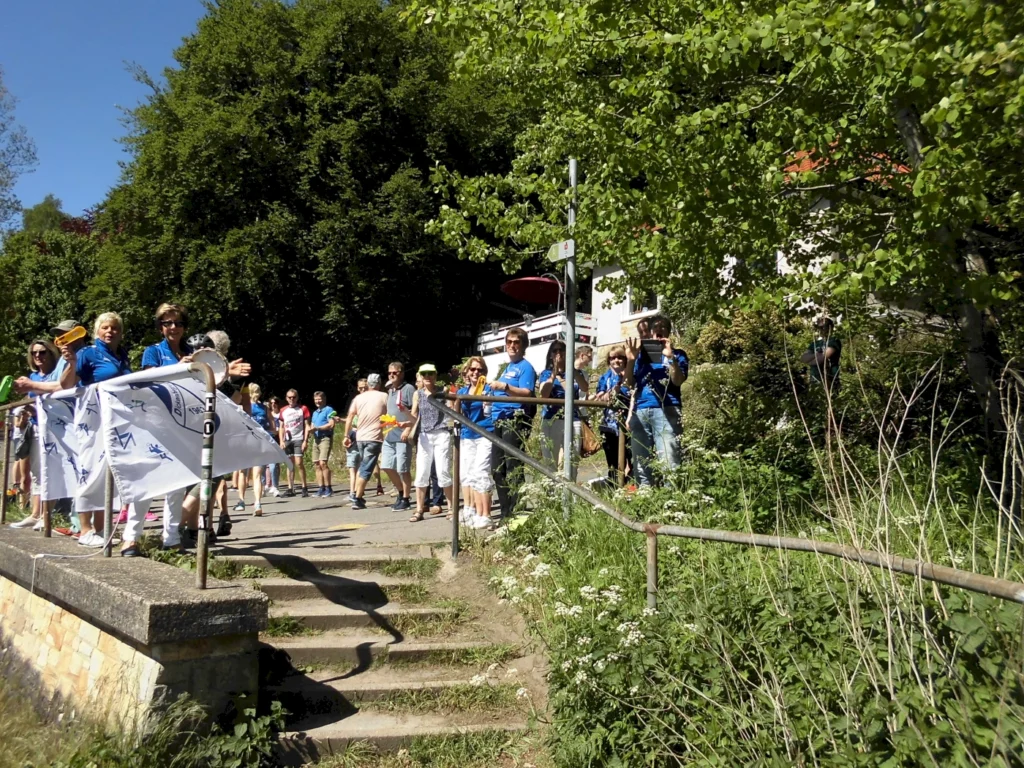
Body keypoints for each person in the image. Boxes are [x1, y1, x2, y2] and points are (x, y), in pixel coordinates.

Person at [139, 302, 193, 550]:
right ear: (160, 327)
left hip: (183, 423)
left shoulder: (192, 351)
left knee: (177, 483)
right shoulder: (153, 351)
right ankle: (134, 535)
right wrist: (179, 367)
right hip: (155, 422)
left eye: (178, 323)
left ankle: (171, 538)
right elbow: (148, 379)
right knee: (148, 480)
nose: (173, 327)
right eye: (167, 323)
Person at [624, 313, 689, 487]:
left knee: (670, 462)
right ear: (650, 332)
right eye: (656, 328)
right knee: (640, 464)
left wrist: (670, 357)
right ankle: (645, 502)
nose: (659, 331)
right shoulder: (640, 357)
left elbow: (677, 381)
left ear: (668, 332)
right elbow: (629, 384)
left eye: (663, 328)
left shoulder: (678, 354)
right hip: (641, 411)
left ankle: (672, 506)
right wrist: (630, 361)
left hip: (667, 410)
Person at [8, 339, 61, 531]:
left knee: (51, 473)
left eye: (42, 352)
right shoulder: (32, 376)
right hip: (35, 428)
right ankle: (35, 514)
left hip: (55, 428)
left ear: (51, 353)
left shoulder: (56, 375)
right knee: (37, 473)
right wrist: (25, 408)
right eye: (34, 353)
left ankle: (46, 516)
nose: (38, 356)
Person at [488, 327, 537, 518]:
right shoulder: (506, 368)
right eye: (509, 342)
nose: (512, 346)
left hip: (514, 419)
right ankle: (505, 511)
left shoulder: (526, 367)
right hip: (498, 420)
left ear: (523, 345)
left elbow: (527, 393)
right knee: (497, 468)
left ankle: (517, 513)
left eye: (516, 342)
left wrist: (505, 387)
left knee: (513, 467)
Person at [407, 364, 453, 522]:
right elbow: (414, 417)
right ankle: (419, 509)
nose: (427, 376)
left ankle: (451, 508)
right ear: (420, 375)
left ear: (435, 375)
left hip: (441, 433)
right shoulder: (417, 394)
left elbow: (451, 411)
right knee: (421, 473)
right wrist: (404, 414)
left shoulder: (443, 391)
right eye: (424, 374)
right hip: (425, 436)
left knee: (443, 471)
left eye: (431, 373)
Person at [455, 356, 496, 529]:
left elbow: (490, 413)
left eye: (479, 370)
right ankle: (469, 509)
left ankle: (485, 514)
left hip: (484, 433)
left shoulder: (488, 390)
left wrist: (488, 403)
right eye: (472, 369)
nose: (475, 372)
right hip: (467, 435)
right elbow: (457, 413)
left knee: (481, 472)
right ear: (466, 372)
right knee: (467, 473)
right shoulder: (462, 392)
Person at [537, 340, 589, 474]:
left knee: (572, 463)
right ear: (551, 355)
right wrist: (554, 374)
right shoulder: (546, 373)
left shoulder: (577, 373)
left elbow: (584, 387)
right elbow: (544, 394)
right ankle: (551, 493)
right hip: (552, 419)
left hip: (573, 419)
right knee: (550, 463)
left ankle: (569, 493)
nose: (559, 353)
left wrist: (572, 370)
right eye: (555, 350)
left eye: (562, 350)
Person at [343, 373, 388, 510]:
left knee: (363, 465)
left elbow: (350, 417)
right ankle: (356, 498)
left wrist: (346, 435)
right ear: (379, 384)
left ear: (368, 384)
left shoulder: (358, 398)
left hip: (360, 436)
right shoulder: (384, 396)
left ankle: (357, 495)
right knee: (366, 468)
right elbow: (390, 414)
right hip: (374, 437)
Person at [382, 362, 416, 512]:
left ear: (402, 373)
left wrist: (408, 428)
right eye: (390, 373)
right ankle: (401, 492)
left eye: (395, 373)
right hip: (389, 434)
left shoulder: (408, 389)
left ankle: (406, 498)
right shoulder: (391, 390)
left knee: (403, 468)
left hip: (402, 435)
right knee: (387, 466)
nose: (392, 375)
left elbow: (414, 411)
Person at [596, 345, 632, 484]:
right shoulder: (604, 378)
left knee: (632, 458)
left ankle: (630, 489)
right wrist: (610, 393)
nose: (616, 360)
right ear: (608, 360)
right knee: (613, 463)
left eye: (620, 357)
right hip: (609, 425)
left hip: (629, 423)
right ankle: (614, 490)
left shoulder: (630, 375)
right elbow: (600, 397)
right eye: (613, 357)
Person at [245, 382, 273, 515]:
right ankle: (257, 502)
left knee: (245, 474)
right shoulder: (264, 408)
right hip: (258, 442)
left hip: (248, 442)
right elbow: (273, 426)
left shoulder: (246, 407)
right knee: (256, 475)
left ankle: (244, 500)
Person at [278, 389, 311, 497]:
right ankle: (290, 488)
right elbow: (281, 427)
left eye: (294, 397)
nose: (292, 399)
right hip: (288, 440)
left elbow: (307, 426)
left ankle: (304, 487)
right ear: (286, 398)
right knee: (289, 464)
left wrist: (305, 440)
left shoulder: (303, 409)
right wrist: (281, 441)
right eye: (289, 397)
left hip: (298, 438)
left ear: (297, 398)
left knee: (299, 463)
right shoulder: (283, 410)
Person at [800, 317, 841, 392]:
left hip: (830, 379)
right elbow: (803, 358)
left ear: (830, 328)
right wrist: (815, 356)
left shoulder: (834, 341)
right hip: (815, 379)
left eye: (823, 327)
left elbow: (822, 358)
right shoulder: (814, 344)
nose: (821, 330)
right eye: (819, 327)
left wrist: (811, 359)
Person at [311, 391, 338, 497]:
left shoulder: (328, 410)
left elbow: (331, 424)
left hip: (325, 438)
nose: (318, 401)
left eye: (319, 399)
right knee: (317, 464)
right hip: (316, 439)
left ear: (324, 399)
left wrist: (318, 428)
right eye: (316, 399)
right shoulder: (315, 413)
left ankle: (328, 488)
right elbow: (312, 425)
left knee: (323, 463)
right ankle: (321, 488)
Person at [345, 379, 368, 502]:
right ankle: (353, 492)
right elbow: (350, 418)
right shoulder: (356, 400)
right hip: (354, 434)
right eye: (360, 388)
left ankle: (357, 492)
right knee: (353, 466)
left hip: (365, 434)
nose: (362, 390)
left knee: (361, 465)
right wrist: (346, 435)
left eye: (365, 387)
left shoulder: (371, 400)